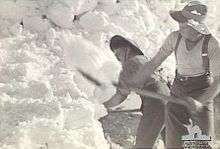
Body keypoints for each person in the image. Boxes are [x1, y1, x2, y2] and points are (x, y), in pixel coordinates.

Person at [130, 1, 220, 148]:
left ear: (196, 26)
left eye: (185, 24)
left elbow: (218, 80)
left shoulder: (212, 44)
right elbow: (154, 62)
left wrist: (200, 102)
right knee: (174, 142)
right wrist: (136, 81)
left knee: (204, 142)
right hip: (178, 89)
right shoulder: (174, 37)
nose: (180, 27)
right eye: (180, 24)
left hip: (202, 90)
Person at [103, 35, 170, 148]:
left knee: (142, 145)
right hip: (170, 102)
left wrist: (102, 106)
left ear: (127, 49)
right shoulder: (147, 61)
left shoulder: (130, 63)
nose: (117, 58)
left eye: (118, 53)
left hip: (156, 103)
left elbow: (120, 95)